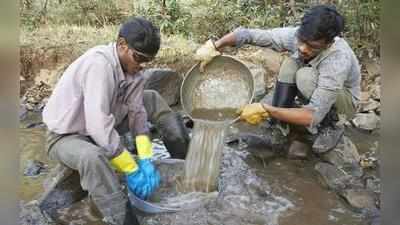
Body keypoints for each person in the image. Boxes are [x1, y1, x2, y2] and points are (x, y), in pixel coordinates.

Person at [42, 17, 190, 225]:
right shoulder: (99, 64)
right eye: (139, 58)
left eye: (147, 61)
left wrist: (146, 158)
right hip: (67, 137)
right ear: (122, 45)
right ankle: (123, 218)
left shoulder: (134, 72)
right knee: (92, 157)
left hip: (103, 124)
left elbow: (138, 114)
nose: (141, 66)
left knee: (152, 99)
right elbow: (98, 125)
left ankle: (186, 163)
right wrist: (130, 166)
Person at [195, 5, 360, 154]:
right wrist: (214, 46)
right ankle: (279, 125)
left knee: (305, 77)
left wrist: (266, 109)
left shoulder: (338, 59)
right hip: (314, 83)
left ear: (328, 44)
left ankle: (332, 125)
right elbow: (248, 35)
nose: (303, 48)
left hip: (343, 102)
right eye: (302, 41)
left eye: (312, 47)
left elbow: (312, 116)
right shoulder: (297, 36)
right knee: (291, 63)